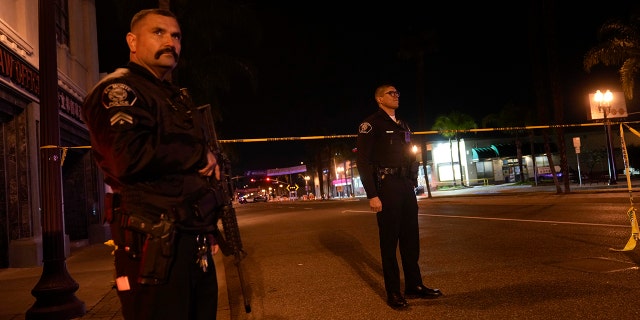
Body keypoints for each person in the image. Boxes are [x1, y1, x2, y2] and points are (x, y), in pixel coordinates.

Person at [82, 8, 222, 319]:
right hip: (152, 242)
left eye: (176, 36)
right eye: (158, 32)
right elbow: (126, 157)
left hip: (191, 236)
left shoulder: (173, 96)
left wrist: (207, 227)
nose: (170, 41)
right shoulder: (120, 90)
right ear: (132, 41)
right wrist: (198, 154)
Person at [356, 84, 442, 309]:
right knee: (389, 242)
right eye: (391, 94)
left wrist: (414, 181)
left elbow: (409, 154)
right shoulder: (370, 125)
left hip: (405, 185)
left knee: (411, 239)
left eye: (398, 93)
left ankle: (414, 285)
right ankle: (393, 292)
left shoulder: (403, 124)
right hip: (386, 186)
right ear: (379, 99)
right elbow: (363, 162)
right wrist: (372, 195)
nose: (396, 96)